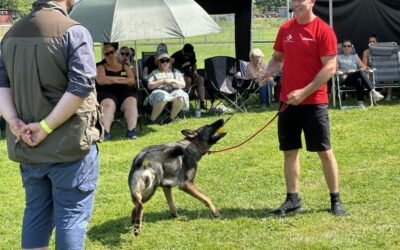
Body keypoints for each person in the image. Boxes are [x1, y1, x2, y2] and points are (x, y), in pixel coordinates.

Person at [0, 0, 103, 249]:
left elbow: (2, 84)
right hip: (69, 148)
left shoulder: (11, 34)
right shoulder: (74, 31)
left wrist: (13, 120)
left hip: (28, 146)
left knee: (36, 215)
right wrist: (45, 127)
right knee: (71, 219)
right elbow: (80, 86)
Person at [260, 0, 347, 216]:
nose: (295, 4)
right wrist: (268, 71)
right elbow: (277, 57)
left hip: (314, 102)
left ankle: (335, 199)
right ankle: (292, 199)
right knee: (289, 151)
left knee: (324, 151)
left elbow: (330, 67)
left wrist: (304, 92)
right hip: (288, 101)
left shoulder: (324, 30)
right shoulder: (285, 28)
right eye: (293, 1)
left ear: (312, 2)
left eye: (300, 0)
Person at [96, 44, 138, 140]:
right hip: (107, 93)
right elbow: (101, 80)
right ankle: (105, 132)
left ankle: (131, 131)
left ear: (115, 53)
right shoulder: (101, 67)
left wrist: (111, 80)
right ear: (104, 56)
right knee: (107, 104)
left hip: (125, 92)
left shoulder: (125, 67)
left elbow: (131, 80)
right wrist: (121, 79)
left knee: (131, 101)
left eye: (112, 52)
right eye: (107, 53)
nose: (110, 55)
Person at [337, 39, 384, 109]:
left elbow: (363, 66)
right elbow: (336, 69)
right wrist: (347, 71)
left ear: (351, 47)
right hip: (345, 78)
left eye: (349, 46)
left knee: (359, 80)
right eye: (345, 46)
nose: (347, 47)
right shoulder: (338, 57)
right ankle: (373, 92)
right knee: (360, 72)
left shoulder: (355, 56)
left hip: (355, 77)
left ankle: (360, 103)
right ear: (342, 48)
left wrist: (356, 71)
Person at [146, 53, 189, 124]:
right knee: (162, 97)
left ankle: (171, 118)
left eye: (167, 61)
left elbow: (183, 84)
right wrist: (161, 81)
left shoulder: (175, 72)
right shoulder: (155, 72)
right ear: (159, 63)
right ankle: (152, 119)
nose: (165, 63)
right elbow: (149, 85)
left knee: (180, 97)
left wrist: (173, 80)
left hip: (174, 91)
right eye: (162, 61)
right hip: (160, 91)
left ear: (170, 62)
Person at [171, 43, 207, 110]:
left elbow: (194, 64)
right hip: (180, 75)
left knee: (201, 79)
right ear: (182, 51)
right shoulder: (175, 56)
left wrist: (195, 71)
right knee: (188, 80)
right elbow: (172, 69)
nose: (187, 57)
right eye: (185, 55)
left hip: (190, 73)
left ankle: (202, 102)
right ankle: (185, 102)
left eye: (189, 56)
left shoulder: (192, 54)